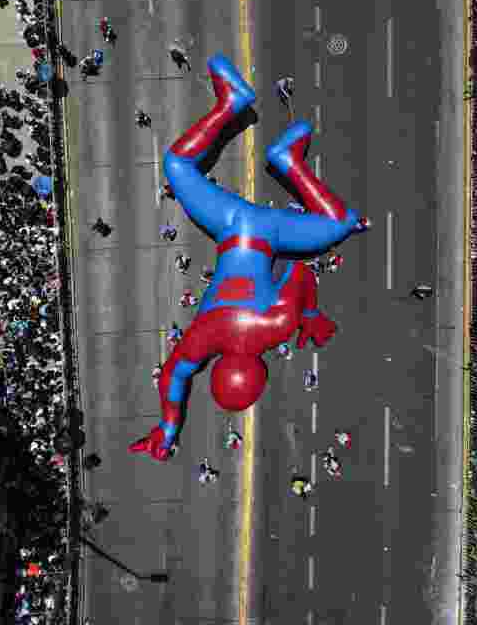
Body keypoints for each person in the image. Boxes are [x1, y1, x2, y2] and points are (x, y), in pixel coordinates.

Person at [130, 54, 368, 461]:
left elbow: (299, 273)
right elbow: (174, 375)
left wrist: (308, 315)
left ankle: (289, 163)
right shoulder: (205, 338)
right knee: (177, 165)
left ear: (262, 376)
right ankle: (230, 105)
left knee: (340, 222)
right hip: (230, 226)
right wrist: (167, 428)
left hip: (270, 233)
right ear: (218, 369)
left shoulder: (275, 327)